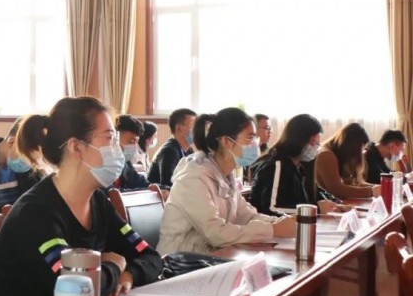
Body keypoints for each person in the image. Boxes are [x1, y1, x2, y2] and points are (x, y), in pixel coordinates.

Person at [0, 97, 163, 296]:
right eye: (109, 139)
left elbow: (150, 256)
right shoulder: (35, 212)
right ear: (76, 147)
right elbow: (74, 288)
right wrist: (115, 265)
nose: (117, 150)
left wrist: (129, 274)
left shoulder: (98, 201)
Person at [158, 108, 296, 255]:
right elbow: (216, 233)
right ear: (226, 141)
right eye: (250, 138)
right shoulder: (192, 178)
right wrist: (273, 229)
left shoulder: (226, 176)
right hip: (179, 261)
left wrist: (281, 223)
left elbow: (247, 216)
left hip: (211, 256)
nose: (256, 144)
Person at [249, 114, 345, 216]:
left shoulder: (299, 167)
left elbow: (316, 193)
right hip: (276, 225)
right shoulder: (276, 166)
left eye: (317, 144)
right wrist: (316, 209)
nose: (315, 147)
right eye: (313, 142)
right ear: (299, 139)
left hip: (298, 223)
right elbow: (273, 208)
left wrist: (337, 204)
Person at [315, 123, 380, 199]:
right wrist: (371, 191)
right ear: (351, 147)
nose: (361, 154)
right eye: (361, 150)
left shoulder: (341, 156)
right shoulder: (326, 155)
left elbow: (356, 183)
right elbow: (337, 190)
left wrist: (377, 188)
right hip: (328, 203)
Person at [147, 108, 196, 188]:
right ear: (179, 128)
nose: (197, 130)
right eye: (193, 126)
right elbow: (167, 184)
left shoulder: (189, 150)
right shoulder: (169, 151)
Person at [113, 115, 150, 191]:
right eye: (131, 141)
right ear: (116, 138)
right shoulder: (104, 164)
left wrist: (159, 188)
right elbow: (109, 192)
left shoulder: (126, 163)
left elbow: (140, 182)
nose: (134, 146)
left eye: (136, 142)